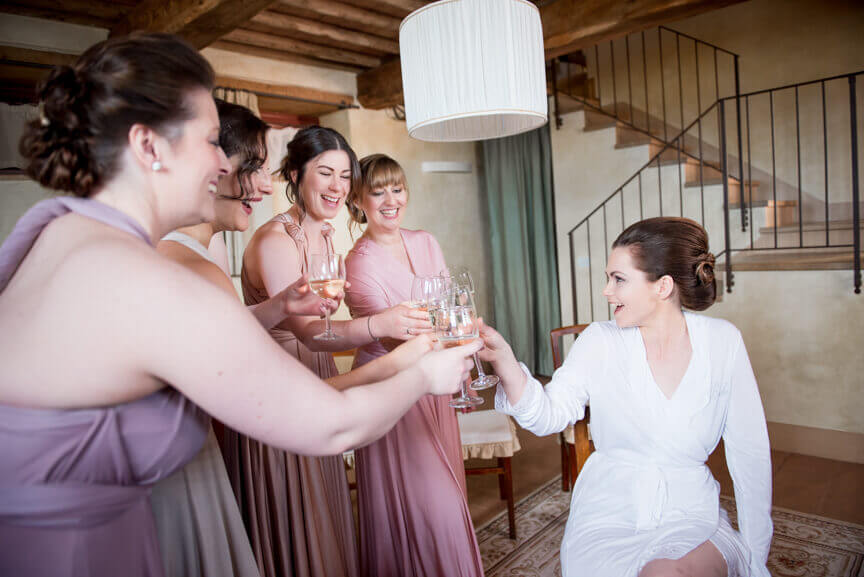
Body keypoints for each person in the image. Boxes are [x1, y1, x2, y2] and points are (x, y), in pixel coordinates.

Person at [0, 33, 479, 577]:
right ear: (149, 146)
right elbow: (331, 425)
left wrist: (276, 311)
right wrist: (427, 371)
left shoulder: (54, 234)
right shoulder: (144, 278)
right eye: (211, 141)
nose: (223, 165)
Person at [481, 216, 772, 577]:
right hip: (609, 510)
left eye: (618, 279)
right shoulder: (600, 341)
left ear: (662, 286)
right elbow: (548, 415)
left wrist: (756, 553)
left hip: (690, 512)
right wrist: (505, 362)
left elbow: (751, 454)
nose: (606, 291)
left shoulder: (723, 342)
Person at [237, 128, 434, 577]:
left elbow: (325, 326)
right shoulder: (276, 240)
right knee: (298, 515)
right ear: (294, 174)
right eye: (325, 173)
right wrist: (380, 326)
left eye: (344, 176)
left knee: (326, 507)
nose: (337, 186)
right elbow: (309, 333)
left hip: (319, 376)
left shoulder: (325, 235)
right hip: (279, 383)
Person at [343, 154, 484, 577]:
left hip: (438, 383)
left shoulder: (425, 241)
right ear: (358, 200)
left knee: (448, 493)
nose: (391, 200)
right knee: (424, 502)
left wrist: (466, 369)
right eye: (378, 190)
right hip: (395, 387)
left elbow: (451, 310)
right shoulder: (357, 263)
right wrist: (451, 334)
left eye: (398, 188)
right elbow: (393, 338)